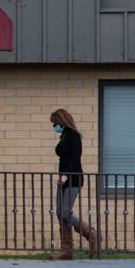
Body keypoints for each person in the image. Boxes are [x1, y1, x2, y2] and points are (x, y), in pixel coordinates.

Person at [50, 109, 100, 260]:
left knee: (65, 212)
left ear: (62, 121)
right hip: (63, 180)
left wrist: (66, 175)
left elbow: (75, 158)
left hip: (73, 179)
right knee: (60, 212)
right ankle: (67, 250)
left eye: (55, 123)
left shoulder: (73, 135)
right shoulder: (64, 136)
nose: (54, 127)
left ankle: (92, 235)